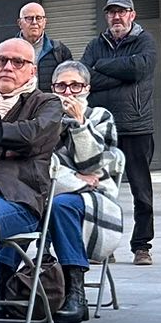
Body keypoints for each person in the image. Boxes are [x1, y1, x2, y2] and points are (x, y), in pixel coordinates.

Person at [0, 37, 93, 323]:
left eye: (18, 62)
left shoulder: (47, 102)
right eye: (1, 60)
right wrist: (8, 145)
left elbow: (32, 136)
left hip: (20, 200)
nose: (8, 67)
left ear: (32, 71)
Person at [82, 0, 158, 264]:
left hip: (136, 126)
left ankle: (142, 246)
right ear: (107, 17)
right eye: (112, 12)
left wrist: (103, 67)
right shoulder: (95, 44)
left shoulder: (145, 41)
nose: (117, 17)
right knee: (101, 190)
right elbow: (85, 77)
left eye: (122, 12)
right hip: (101, 128)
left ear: (132, 15)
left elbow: (139, 70)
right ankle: (104, 245)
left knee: (142, 191)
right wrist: (120, 72)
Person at [48, 60, 129, 268]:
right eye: (61, 86)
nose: (68, 92)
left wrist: (80, 123)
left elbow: (93, 167)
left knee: (61, 205)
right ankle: (1, 278)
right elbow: (39, 163)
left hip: (94, 193)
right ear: (52, 88)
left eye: (75, 85)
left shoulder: (101, 116)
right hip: (50, 189)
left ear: (87, 89)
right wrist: (73, 179)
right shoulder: (44, 117)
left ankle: (75, 282)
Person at [19, 2, 72, 94]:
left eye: (39, 18)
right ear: (20, 23)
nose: (34, 22)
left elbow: (71, 80)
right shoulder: (7, 51)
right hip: (17, 106)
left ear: (44, 22)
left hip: (50, 105)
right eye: (29, 18)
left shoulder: (59, 50)